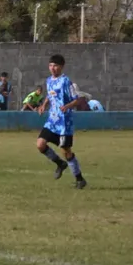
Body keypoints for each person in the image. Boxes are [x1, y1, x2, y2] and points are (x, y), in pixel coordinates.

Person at [36, 54, 86, 189]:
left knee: (66, 151)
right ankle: (60, 163)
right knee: (40, 144)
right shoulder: (48, 81)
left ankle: (79, 179)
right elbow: (49, 95)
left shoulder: (66, 81)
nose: (53, 68)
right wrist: (43, 105)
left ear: (62, 67)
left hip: (64, 123)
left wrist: (67, 106)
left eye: (55, 66)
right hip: (52, 121)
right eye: (50, 65)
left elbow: (77, 99)